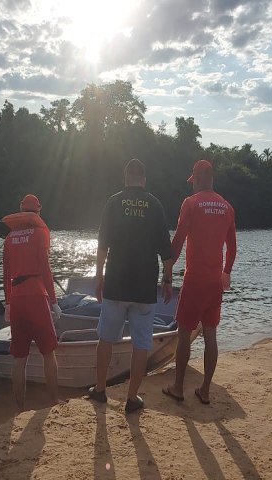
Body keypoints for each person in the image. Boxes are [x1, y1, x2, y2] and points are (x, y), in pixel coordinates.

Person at [88, 158, 173, 413]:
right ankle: (132, 398)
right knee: (141, 344)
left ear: (126, 178)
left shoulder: (114, 202)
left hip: (116, 283)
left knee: (105, 339)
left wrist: (98, 277)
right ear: (143, 180)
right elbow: (166, 252)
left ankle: (100, 390)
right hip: (145, 288)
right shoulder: (155, 205)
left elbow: (102, 245)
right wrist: (167, 281)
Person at [162, 159, 236, 405]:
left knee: (184, 334)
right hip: (215, 282)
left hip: (194, 280)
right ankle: (204, 390)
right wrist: (226, 272)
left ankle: (178, 387)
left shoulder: (191, 204)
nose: (192, 186)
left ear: (200, 178)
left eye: (193, 181)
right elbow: (232, 247)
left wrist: (167, 269)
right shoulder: (226, 207)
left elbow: (179, 239)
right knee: (211, 334)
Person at [2, 194, 64, 411]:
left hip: (17, 299)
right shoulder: (40, 233)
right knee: (49, 353)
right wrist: (54, 301)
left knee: (19, 357)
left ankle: (19, 408)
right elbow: (45, 269)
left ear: (21, 211)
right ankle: (53, 400)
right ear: (38, 211)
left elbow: (6, 274)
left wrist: (8, 303)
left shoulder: (9, 238)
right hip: (37, 297)